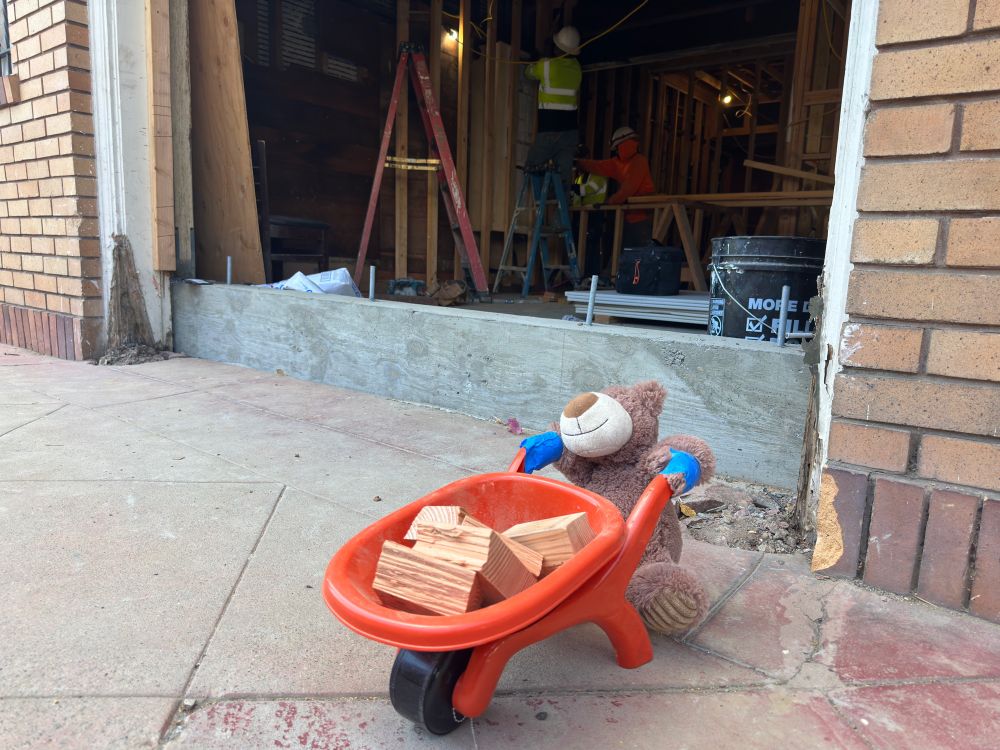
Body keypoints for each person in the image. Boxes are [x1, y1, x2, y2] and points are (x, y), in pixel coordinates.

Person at [576, 126, 656, 247]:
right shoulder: (618, 163)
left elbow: (628, 189)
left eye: (617, 148)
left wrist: (609, 202)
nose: (616, 151)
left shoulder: (639, 161)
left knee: (639, 255)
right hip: (627, 216)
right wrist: (579, 163)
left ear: (623, 145)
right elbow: (599, 166)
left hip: (641, 219)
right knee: (625, 254)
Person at [524, 27, 582, 188]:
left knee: (532, 166)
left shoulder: (546, 65)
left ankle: (538, 201)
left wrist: (536, 59)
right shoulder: (577, 69)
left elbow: (528, 73)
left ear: (558, 48)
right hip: (570, 132)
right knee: (563, 179)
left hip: (549, 129)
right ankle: (558, 202)